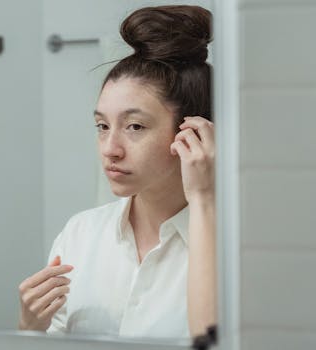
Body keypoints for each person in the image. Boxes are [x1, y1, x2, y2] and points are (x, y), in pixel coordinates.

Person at [18, 5, 216, 342]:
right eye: (102, 126)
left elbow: (214, 342)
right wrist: (28, 329)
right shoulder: (81, 234)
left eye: (135, 126)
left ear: (192, 133)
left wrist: (203, 199)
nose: (110, 148)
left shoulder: (236, 246)